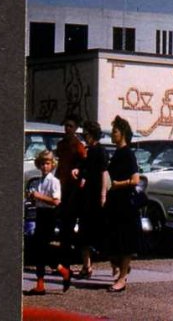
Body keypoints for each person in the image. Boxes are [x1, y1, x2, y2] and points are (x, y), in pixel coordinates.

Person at [25, 150, 72, 295]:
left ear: (52, 165)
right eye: (43, 164)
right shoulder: (39, 181)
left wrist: (40, 196)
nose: (45, 167)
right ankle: (40, 283)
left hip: (49, 215)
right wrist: (33, 197)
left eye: (48, 164)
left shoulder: (54, 181)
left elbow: (56, 201)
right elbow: (39, 199)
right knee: (37, 248)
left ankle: (63, 270)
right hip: (40, 214)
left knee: (43, 248)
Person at [104, 115, 142, 293]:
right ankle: (122, 269)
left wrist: (118, 184)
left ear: (123, 134)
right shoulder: (117, 153)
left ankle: (122, 278)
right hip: (115, 203)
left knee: (126, 242)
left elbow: (135, 179)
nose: (112, 134)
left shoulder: (128, 153)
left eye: (115, 131)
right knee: (113, 240)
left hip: (126, 203)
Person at [73, 120, 108, 279]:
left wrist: (103, 194)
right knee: (84, 232)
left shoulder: (100, 151)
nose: (84, 137)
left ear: (92, 134)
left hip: (95, 195)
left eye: (86, 134)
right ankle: (86, 266)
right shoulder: (90, 151)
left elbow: (103, 174)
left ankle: (116, 268)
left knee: (101, 233)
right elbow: (85, 169)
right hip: (86, 195)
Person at [55, 115, 87, 267]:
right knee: (62, 225)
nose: (67, 128)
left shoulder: (78, 145)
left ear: (75, 128)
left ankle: (67, 260)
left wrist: (78, 170)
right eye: (66, 125)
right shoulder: (61, 145)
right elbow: (60, 164)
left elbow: (83, 163)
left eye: (70, 126)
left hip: (72, 190)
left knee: (68, 225)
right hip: (61, 187)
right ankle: (62, 258)